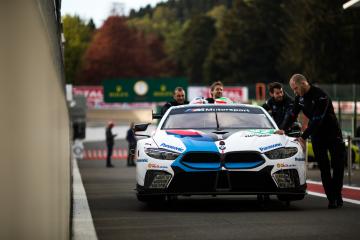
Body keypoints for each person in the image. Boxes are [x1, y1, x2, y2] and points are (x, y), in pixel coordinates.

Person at [281, 74, 345, 209]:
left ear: (304, 83)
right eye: (293, 89)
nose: (295, 92)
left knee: (338, 166)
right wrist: (283, 129)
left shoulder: (321, 96)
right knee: (324, 167)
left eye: (296, 88)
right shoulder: (299, 98)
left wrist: (303, 136)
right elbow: (293, 114)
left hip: (333, 134)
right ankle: (332, 199)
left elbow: (317, 120)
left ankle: (337, 194)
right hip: (317, 136)